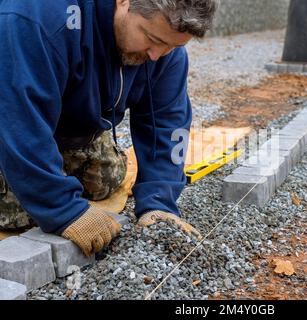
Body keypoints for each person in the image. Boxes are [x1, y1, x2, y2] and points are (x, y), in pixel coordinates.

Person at [0, 0, 217, 256]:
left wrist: (158, 202)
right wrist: (63, 210)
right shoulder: (40, 18)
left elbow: (167, 123)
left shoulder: (164, 52)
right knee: (18, 213)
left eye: (172, 46)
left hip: (66, 128)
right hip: (8, 111)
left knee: (106, 177)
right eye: (151, 38)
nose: (156, 55)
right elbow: (18, 118)